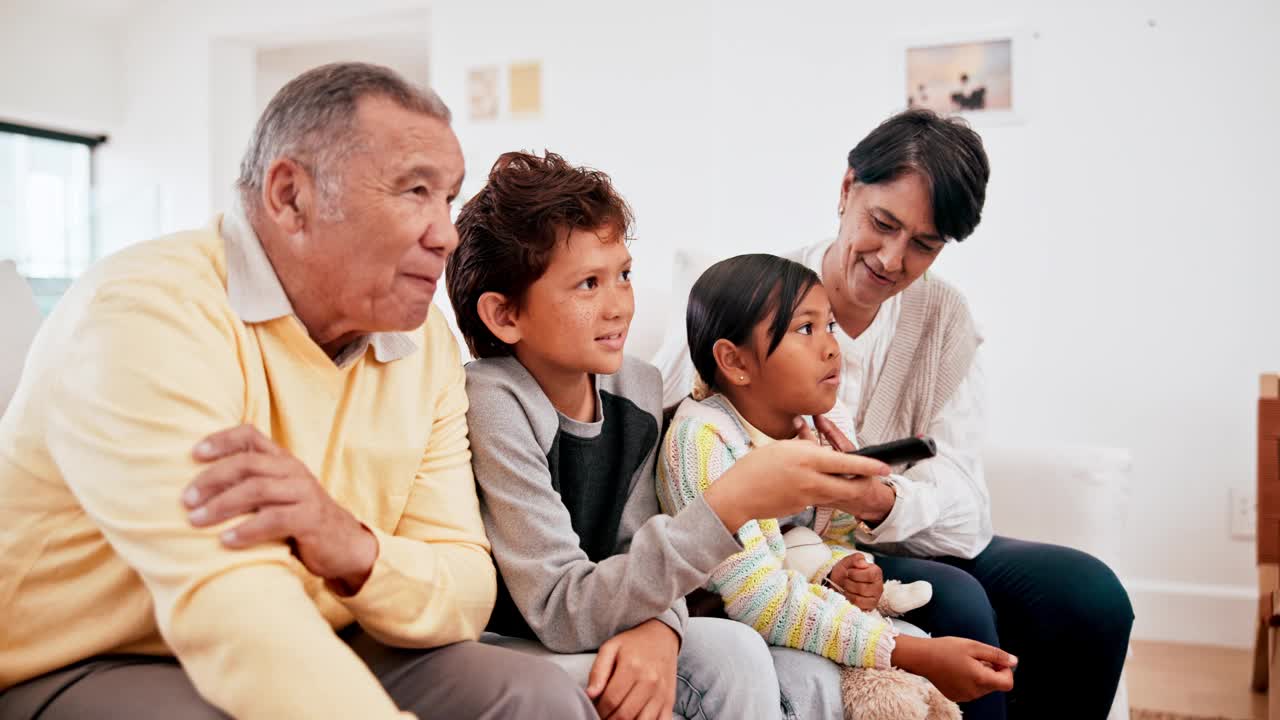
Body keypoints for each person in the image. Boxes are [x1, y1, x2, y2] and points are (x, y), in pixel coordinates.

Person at [0, 63, 598, 720]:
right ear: (290, 197)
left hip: (327, 632)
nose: (446, 233)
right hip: (95, 656)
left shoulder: (424, 340)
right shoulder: (143, 315)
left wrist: (356, 550)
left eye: (448, 198)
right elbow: (230, 605)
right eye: (414, 191)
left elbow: (464, 590)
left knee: (534, 694)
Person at [660, 109, 1134, 719]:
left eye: (924, 245)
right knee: (956, 599)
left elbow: (967, 517)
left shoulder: (944, 322)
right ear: (846, 190)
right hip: (787, 551)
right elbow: (661, 419)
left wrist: (879, 502)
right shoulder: (751, 300)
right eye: (882, 224)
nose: (891, 258)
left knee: (1087, 594)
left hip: (874, 534)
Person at [446, 151, 903, 720]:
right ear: (505, 316)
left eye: (625, 275)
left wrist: (661, 625)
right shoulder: (494, 400)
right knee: (732, 654)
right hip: (521, 640)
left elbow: (641, 546)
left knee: (780, 667)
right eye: (588, 283)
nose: (619, 306)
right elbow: (558, 606)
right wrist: (728, 507)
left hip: (609, 613)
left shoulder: (634, 385)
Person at [660, 252, 1016, 719]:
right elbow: (756, 599)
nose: (832, 347)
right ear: (735, 361)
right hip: (726, 621)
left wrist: (841, 569)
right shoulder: (702, 441)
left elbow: (822, 540)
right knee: (850, 674)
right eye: (806, 329)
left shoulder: (822, 419)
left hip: (788, 602)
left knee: (916, 652)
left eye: (830, 326)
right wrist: (910, 655)